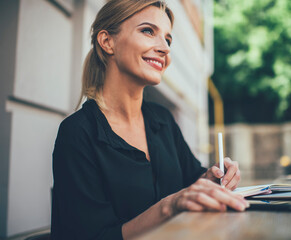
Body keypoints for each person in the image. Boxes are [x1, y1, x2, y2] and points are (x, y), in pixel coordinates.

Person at [51, 0, 249, 239]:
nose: (164, 48)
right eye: (148, 31)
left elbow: (192, 179)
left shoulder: (163, 121)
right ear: (107, 42)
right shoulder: (77, 133)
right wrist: (170, 206)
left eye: (168, 39)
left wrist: (213, 178)